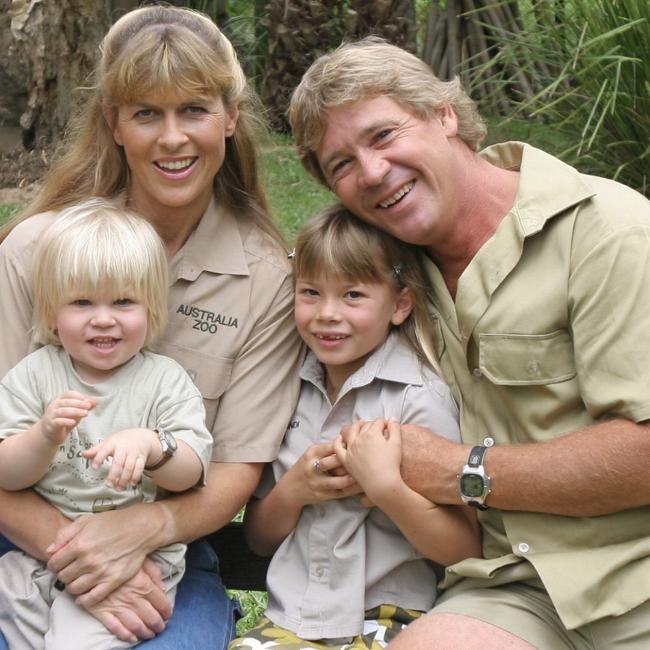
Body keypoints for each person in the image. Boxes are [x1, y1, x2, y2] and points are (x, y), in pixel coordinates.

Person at [288, 37, 650, 649]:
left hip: (635, 576)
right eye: (341, 164)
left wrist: (461, 470)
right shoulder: (390, 278)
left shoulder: (607, 232)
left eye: (384, 135)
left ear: (444, 114)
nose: (372, 172)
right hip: (510, 589)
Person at [0, 5, 302, 649]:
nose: (172, 138)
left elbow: (233, 474)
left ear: (230, 116)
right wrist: (82, 555)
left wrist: (138, 534)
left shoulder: (266, 277)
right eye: (145, 113)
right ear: (113, 122)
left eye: (193, 109)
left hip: (166, 551)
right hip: (19, 536)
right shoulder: (33, 250)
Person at [229, 205, 480, 650]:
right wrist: (295, 489)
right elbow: (259, 540)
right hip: (292, 622)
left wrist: (387, 489)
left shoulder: (418, 399)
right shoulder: (286, 391)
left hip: (395, 619)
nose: (327, 313)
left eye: (353, 295)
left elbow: (464, 549)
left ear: (400, 304)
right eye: (311, 292)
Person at [0, 200, 213, 649]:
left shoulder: (164, 381)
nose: (103, 318)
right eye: (81, 302)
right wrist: (43, 436)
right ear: (51, 312)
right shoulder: (34, 375)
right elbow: (7, 474)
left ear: (152, 309)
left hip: (135, 558)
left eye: (123, 301)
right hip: (36, 556)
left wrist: (152, 446)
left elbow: (191, 471)